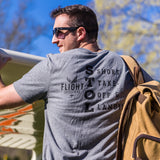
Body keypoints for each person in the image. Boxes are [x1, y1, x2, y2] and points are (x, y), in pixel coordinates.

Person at [0, 4, 152, 160]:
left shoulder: (54, 66)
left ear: (80, 33)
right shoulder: (128, 67)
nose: (53, 40)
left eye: (58, 33)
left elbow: (1, 99)